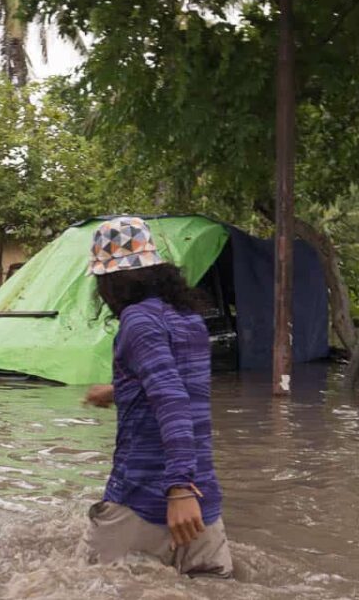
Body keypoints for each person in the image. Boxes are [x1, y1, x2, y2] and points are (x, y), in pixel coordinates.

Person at [81, 216, 232, 578]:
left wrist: (177, 489)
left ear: (110, 282)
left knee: (86, 584)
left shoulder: (137, 321)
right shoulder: (188, 318)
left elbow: (172, 399)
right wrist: (121, 391)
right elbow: (179, 389)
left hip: (146, 501)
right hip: (203, 512)